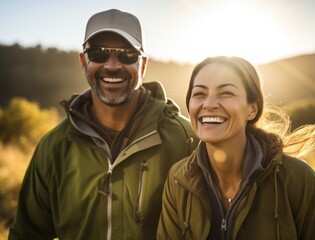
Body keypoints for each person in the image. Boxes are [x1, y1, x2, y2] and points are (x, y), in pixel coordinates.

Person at [9, 9, 198, 240]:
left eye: (127, 54)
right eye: (98, 54)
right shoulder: (53, 147)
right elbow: (27, 234)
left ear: (143, 64)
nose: (112, 65)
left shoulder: (187, 139)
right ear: (83, 61)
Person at [157, 56, 315, 239]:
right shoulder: (178, 179)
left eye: (226, 93)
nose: (209, 104)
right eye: (199, 94)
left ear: (252, 109)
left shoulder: (297, 178)